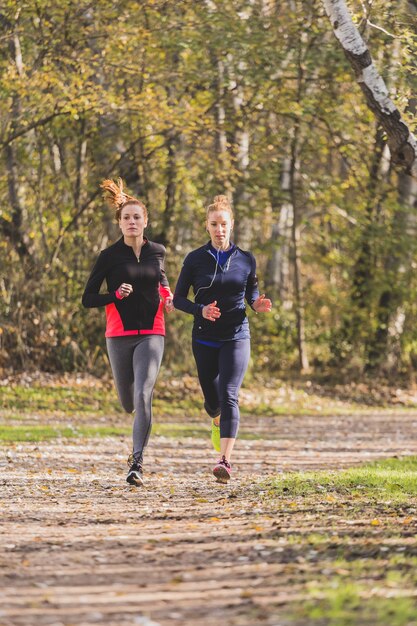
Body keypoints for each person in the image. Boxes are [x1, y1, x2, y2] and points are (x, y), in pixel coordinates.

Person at [173, 195, 272, 483]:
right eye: (214, 224)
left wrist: (256, 304)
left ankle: (225, 460)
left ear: (232, 225)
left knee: (230, 395)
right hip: (204, 337)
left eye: (224, 224)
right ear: (207, 227)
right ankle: (215, 418)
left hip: (236, 336)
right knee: (212, 401)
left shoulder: (246, 259)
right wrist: (200, 310)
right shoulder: (194, 259)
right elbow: (179, 299)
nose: (220, 229)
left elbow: (251, 292)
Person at [82, 178, 174, 487]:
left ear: (145, 221)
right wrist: (114, 296)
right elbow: (87, 298)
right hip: (118, 334)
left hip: (152, 332)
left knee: (143, 392)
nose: (132, 222)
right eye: (127, 218)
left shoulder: (157, 251)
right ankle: (136, 426)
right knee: (127, 401)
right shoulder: (108, 257)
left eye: (137, 217)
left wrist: (169, 296)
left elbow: (161, 280)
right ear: (120, 223)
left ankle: (136, 462)